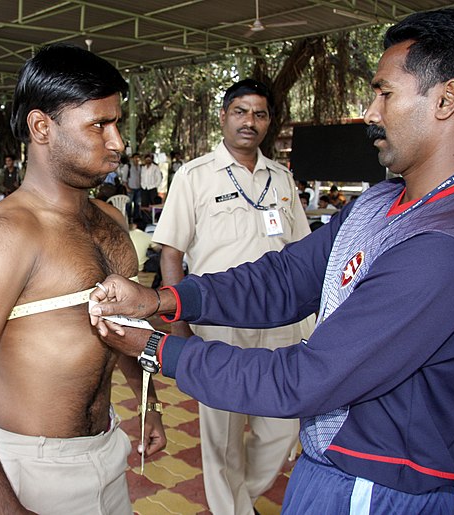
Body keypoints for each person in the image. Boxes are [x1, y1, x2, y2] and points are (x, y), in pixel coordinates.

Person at [89, 8, 454, 513]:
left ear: (447, 99)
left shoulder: (446, 248)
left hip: (374, 486)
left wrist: (155, 348)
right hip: (331, 465)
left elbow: (303, 380)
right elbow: (286, 277)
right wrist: (164, 298)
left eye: (385, 93)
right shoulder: (381, 203)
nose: (371, 112)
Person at [0, 43, 167, 515]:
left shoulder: (110, 223)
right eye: (99, 125)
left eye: (117, 124)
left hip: (106, 448)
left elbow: (121, 328)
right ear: (42, 127)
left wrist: (150, 401)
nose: (117, 142)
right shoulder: (7, 234)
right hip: (32, 470)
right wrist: (5, 508)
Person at [152, 78, 313, 515]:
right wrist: (180, 322)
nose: (250, 122)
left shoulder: (282, 178)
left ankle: (242, 500)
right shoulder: (194, 175)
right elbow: (172, 254)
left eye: (259, 114)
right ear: (223, 117)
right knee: (221, 431)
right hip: (218, 319)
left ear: (269, 122)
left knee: (282, 423)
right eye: (240, 111)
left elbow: (302, 253)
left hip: (282, 320)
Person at [127, 152, 142, 221]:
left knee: (137, 204)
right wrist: (127, 187)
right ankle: (128, 218)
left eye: (138, 158)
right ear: (132, 158)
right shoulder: (128, 166)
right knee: (129, 204)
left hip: (138, 188)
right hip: (130, 188)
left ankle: (136, 219)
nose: (137, 159)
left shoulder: (139, 167)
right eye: (135, 157)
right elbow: (124, 179)